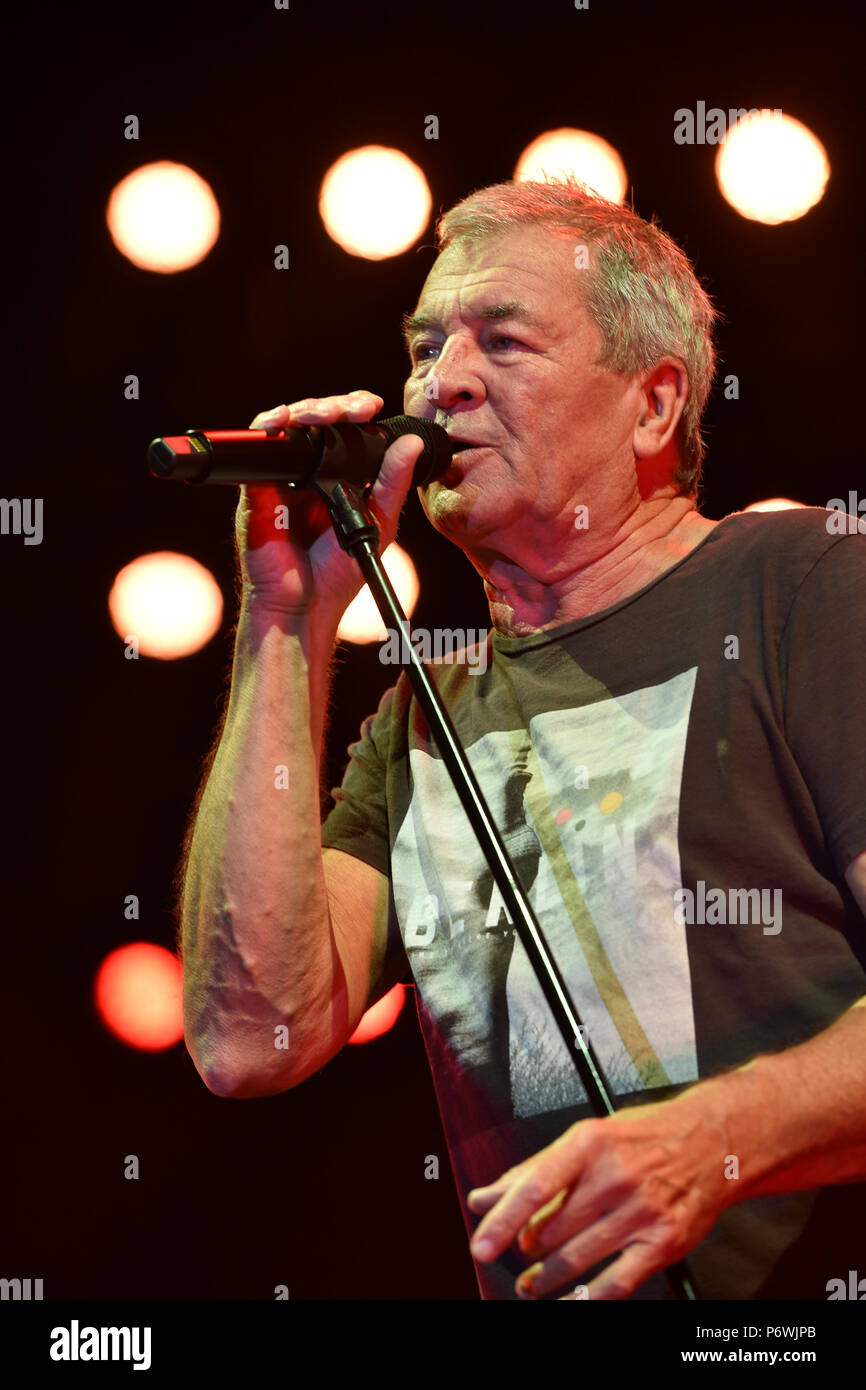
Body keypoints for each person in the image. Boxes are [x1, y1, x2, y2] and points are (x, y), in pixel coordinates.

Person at [179, 177, 866, 1301]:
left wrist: (709, 1142)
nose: (438, 382)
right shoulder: (423, 715)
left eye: (502, 341)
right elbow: (248, 1039)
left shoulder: (796, 582)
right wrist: (284, 623)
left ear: (652, 409)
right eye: (423, 345)